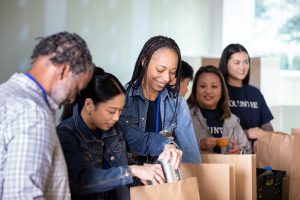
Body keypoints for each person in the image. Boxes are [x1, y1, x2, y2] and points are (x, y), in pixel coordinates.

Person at [57, 68, 179, 199]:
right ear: (89, 105)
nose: (116, 117)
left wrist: (168, 146)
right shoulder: (66, 134)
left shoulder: (116, 128)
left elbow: (146, 140)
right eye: (111, 111)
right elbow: (81, 181)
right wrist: (133, 170)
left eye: (120, 111)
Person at [0, 31, 94, 199]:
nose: (73, 98)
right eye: (77, 88)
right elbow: (22, 196)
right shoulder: (32, 114)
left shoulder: (6, 94)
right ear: (64, 70)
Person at [120, 35, 201, 164]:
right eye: (160, 70)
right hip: (129, 180)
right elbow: (127, 139)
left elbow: (190, 155)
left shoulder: (177, 103)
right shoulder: (122, 98)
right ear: (144, 61)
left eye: (173, 72)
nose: (166, 78)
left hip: (164, 180)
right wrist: (165, 144)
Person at [218, 44, 274, 148]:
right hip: (229, 154)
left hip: (257, 155)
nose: (242, 67)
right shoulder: (218, 92)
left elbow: (268, 128)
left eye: (246, 62)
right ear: (226, 64)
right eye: (237, 63)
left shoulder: (255, 93)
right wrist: (248, 133)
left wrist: (266, 136)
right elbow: (216, 132)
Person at [187, 65, 251, 154]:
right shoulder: (185, 116)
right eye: (202, 86)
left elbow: (247, 150)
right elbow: (175, 149)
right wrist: (199, 146)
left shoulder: (232, 119)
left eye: (214, 86)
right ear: (195, 89)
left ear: (222, 90)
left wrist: (239, 151)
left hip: (228, 168)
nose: (208, 91)